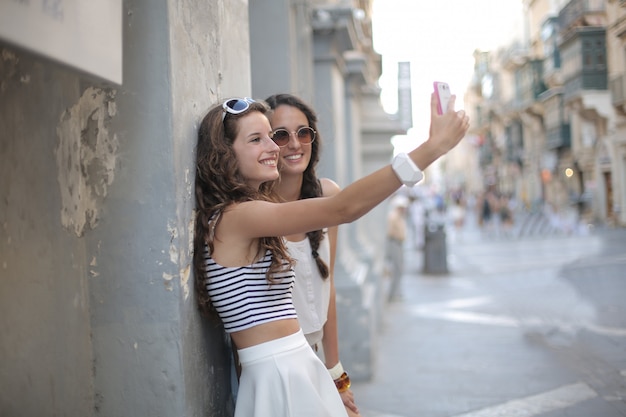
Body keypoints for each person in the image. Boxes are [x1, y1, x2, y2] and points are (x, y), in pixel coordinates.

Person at [193, 94, 469, 416]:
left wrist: (332, 373)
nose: (273, 147)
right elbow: (344, 207)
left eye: (271, 135)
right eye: (257, 139)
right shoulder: (237, 217)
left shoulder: (243, 214)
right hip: (280, 374)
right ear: (225, 156)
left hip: (295, 366)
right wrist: (431, 149)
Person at [265, 93, 361, 416]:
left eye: (303, 133)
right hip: (279, 369)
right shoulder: (256, 212)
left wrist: (336, 374)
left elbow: (327, 286)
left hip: (316, 360)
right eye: (281, 135)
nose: (294, 143)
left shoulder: (327, 196)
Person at [385, 193, 409, 302]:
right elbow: (389, 231)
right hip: (395, 243)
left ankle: (396, 292)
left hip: (398, 243)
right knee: (397, 269)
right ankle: (393, 293)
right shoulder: (393, 216)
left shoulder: (398, 216)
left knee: (399, 269)